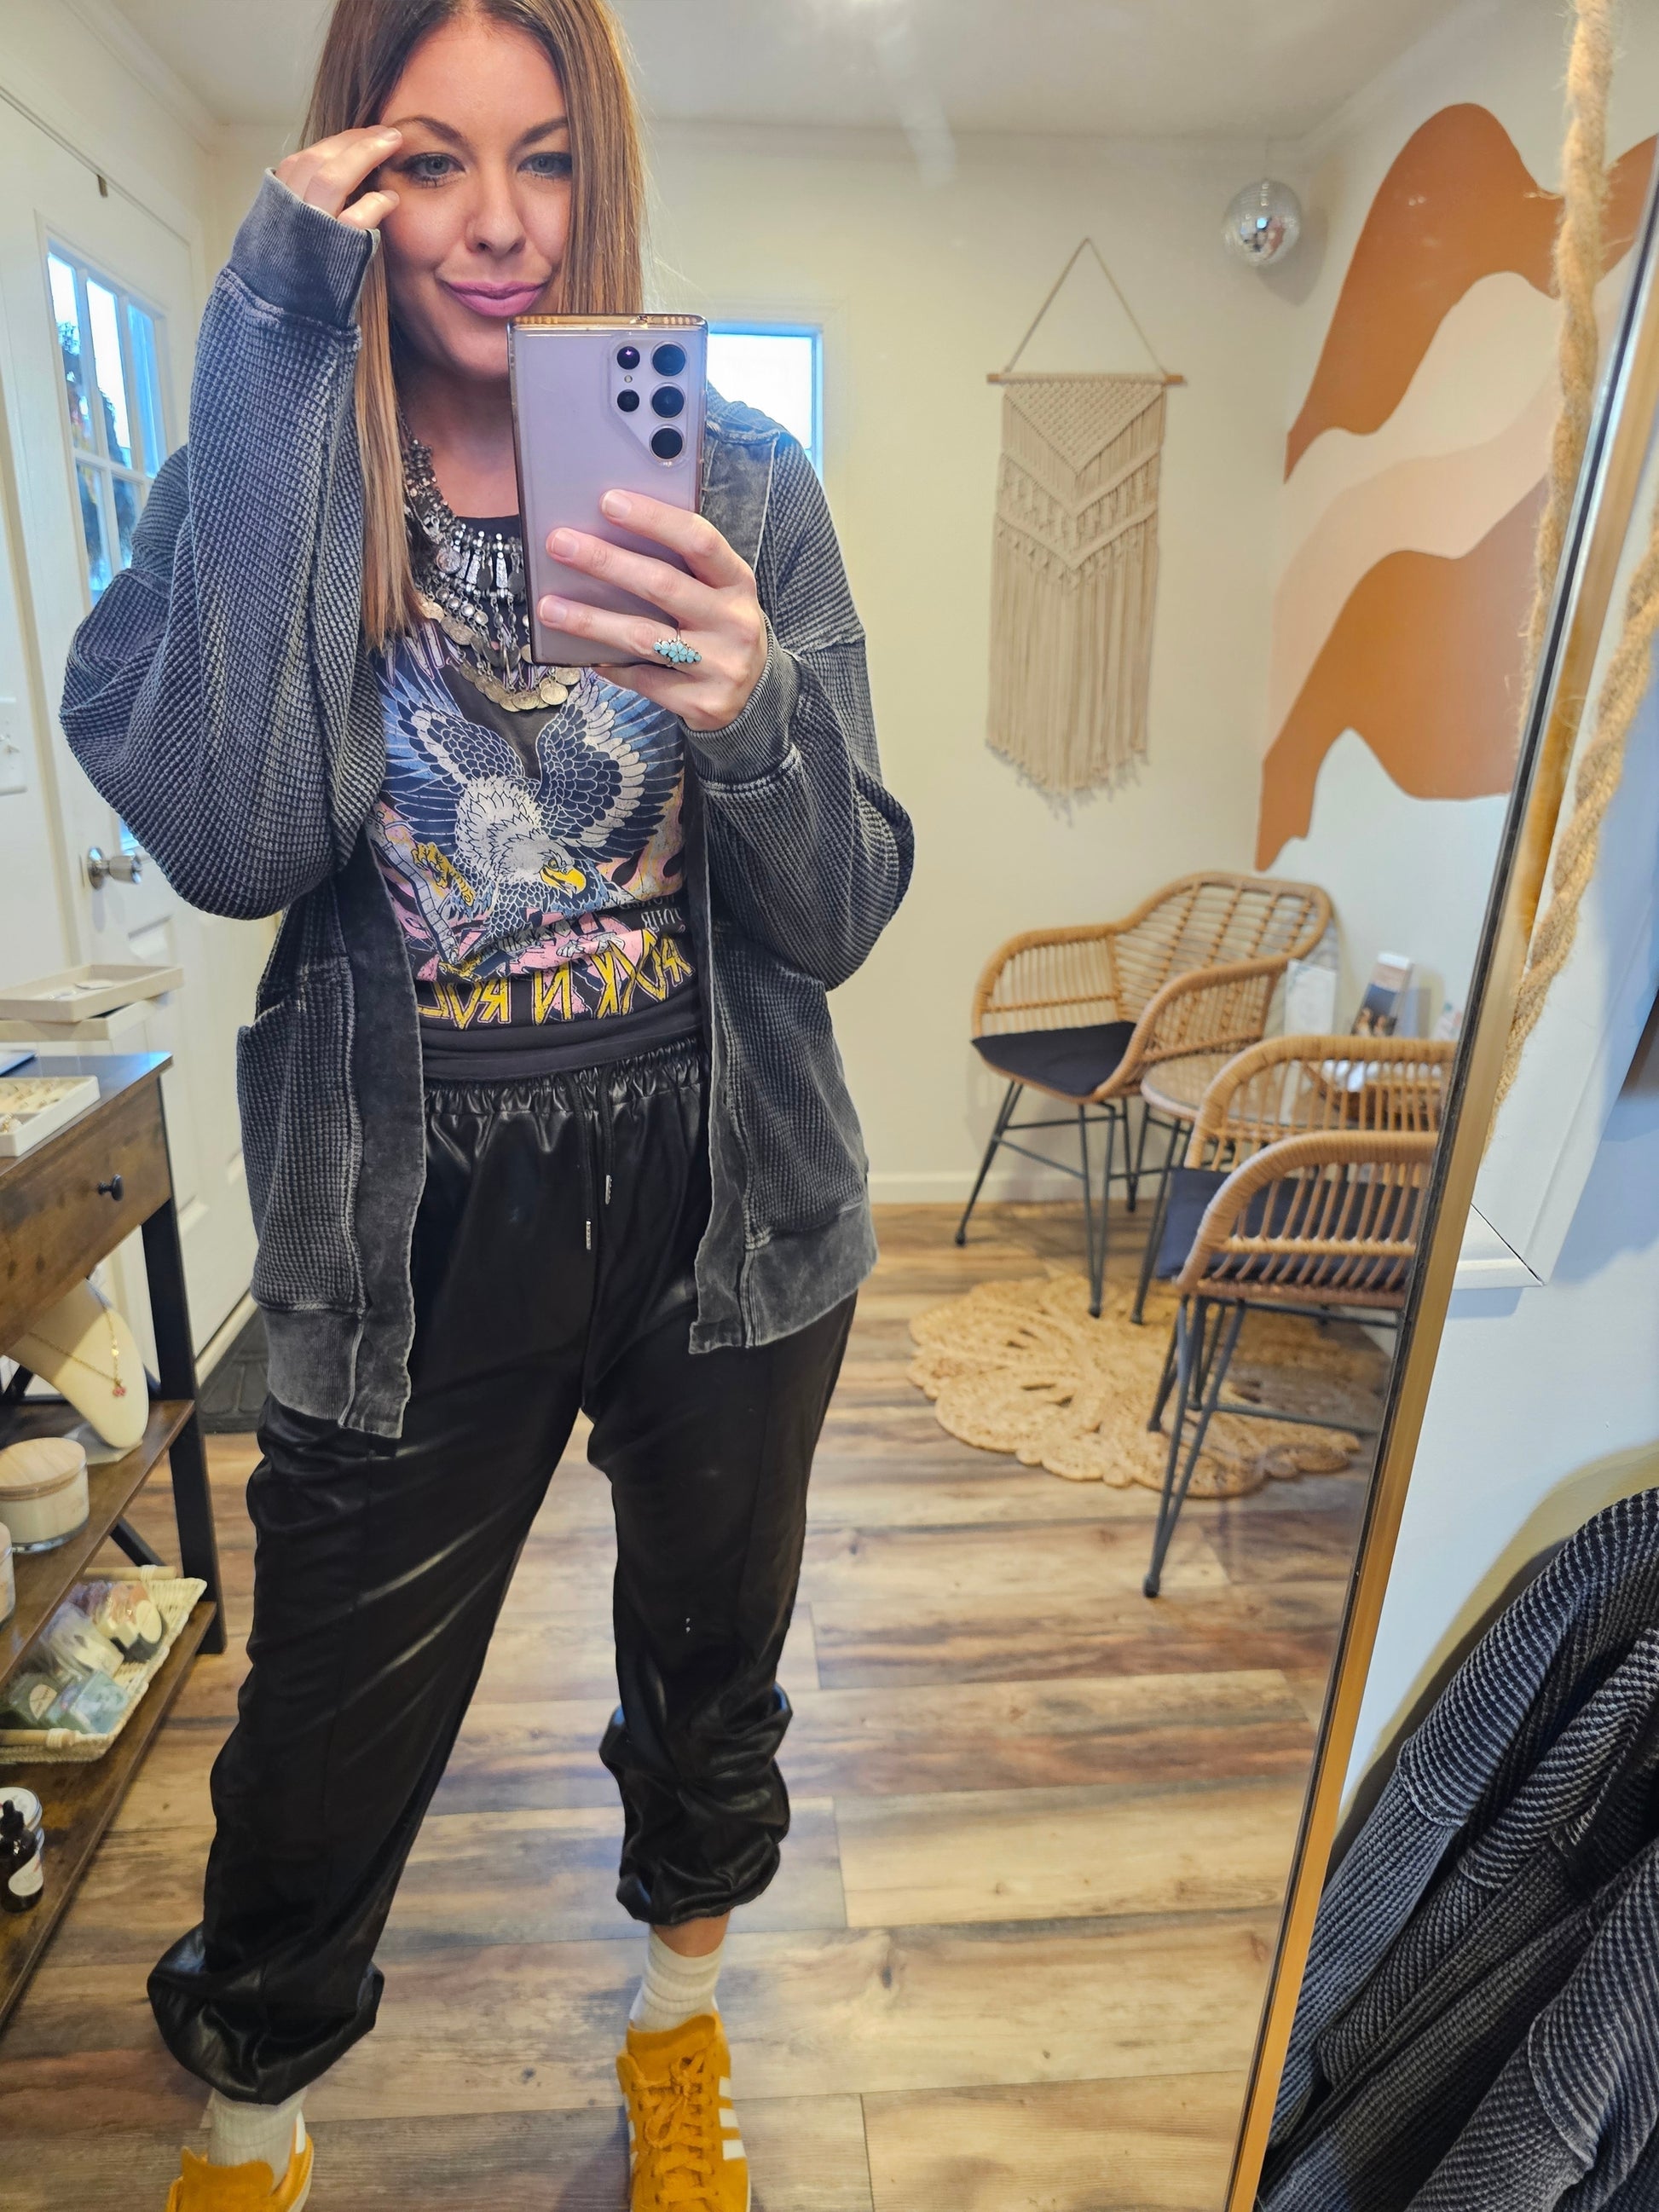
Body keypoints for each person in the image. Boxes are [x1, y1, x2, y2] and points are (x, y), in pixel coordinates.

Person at [61, 1, 912, 2204]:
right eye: (431, 160)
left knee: (712, 1670)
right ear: (348, 173)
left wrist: (750, 708)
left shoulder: (738, 477)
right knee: (326, 1722)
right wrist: (272, 329)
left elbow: (835, 912)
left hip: (729, 1186)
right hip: (403, 1202)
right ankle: (252, 2123)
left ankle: (677, 2031)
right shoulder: (278, 474)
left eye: (544, 157)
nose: (501, 223)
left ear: (599, 166)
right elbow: (239, 838)